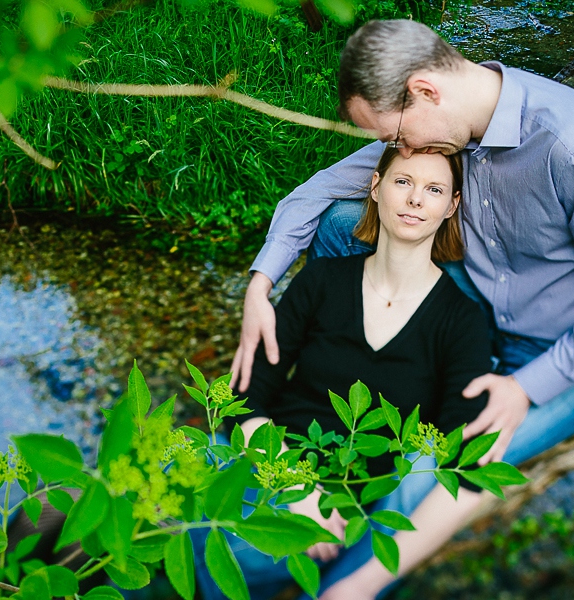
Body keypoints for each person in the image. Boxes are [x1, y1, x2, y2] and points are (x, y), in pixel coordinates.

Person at [230, 19, 574, 595]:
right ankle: (347, 370)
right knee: (342, 221)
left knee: (425, 478)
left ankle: (344, 584)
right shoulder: (440, 134)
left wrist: (525, 386)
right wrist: (261, 286)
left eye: (396, 138)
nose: (399, 154)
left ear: (424, 91)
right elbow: (311, 196)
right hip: (483, 312)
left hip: (569, 353)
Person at [195, 148, 493, 599]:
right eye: (403, 182)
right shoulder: (322, 281)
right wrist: (294, 483)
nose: (415, 199)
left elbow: (461, 459)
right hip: (271, 465)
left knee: (244, 553)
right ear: (375, 188)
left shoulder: (462, 321)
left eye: (433, 189)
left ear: (451, 207)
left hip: (356, 505)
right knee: (172, 463)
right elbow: (249, 392)